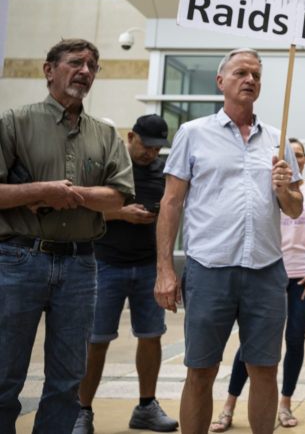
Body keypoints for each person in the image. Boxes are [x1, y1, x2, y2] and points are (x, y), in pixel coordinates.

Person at [155, 48, 303, 434]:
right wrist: (166, 269)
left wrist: (285, 188)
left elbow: (294, 208)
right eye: (241, 72)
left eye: (256, 74)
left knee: (265, 369)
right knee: (200, 369)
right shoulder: (193, 133)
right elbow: (171, 203)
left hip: (266, 271)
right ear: (220, 81)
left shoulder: (278, 139)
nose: (250, 79)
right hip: (209, 270)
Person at [0, 38, 134, 433]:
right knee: (5, 374)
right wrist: (40, 192)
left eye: (93, 66)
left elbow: (118, 196)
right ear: (48, 70)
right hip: (19, 260)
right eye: (76, 62)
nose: (86, 72)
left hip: (80, 264)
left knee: (67, 380)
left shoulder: (105, 134)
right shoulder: (14, 123)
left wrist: (68, 195)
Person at [211, 138, 305, 430]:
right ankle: (229, 405)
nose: (297, 159)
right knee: (252, 342)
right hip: (268, 273)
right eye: (291, 155)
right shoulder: (268, 187)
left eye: (301, 155)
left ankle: (285, 403)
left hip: (304, 277)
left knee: (294, 338)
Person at [74, 114, 178, 434]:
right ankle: (82, 411)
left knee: (151, 336)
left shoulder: (164, 172)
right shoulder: (110, 164)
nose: (152, 154)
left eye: (158, 149)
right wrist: (122, 214)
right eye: (146, 146)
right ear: (131, 137)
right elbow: (83, 206)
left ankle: (146, 407)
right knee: (97, 340)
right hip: (105, 263)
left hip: (148, 265)